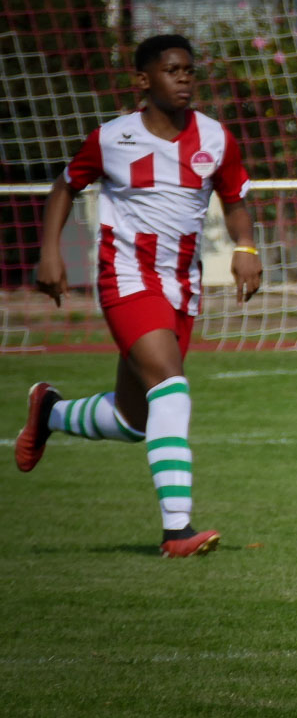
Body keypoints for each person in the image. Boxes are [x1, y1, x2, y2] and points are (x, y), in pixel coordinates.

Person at [14, 34, 261, 558]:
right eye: (173, 70)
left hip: (182, 287)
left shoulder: (215, 137)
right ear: (143, 81)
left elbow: (235, 196)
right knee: (172, 388)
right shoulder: (111, 138)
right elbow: (65, 186)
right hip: (126, 279)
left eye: (190, 70)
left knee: (136, 421)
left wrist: (244, 245)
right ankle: (177, 532)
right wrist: (50, 253)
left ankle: (50, 411)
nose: (185, 79)